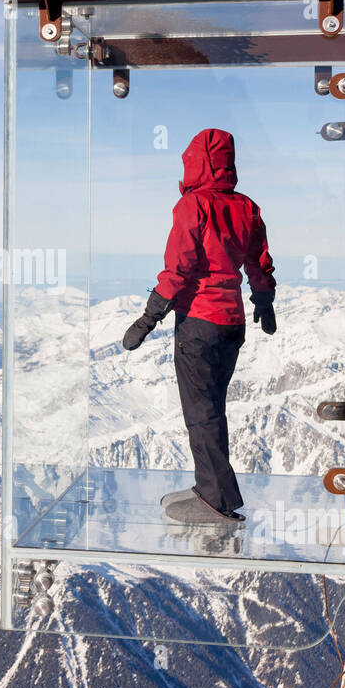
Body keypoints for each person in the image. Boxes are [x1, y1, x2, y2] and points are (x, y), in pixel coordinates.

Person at [122, 128, 277, 526]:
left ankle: (214, 501)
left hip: (198, 324)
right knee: (212, 409)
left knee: (201, 413)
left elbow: (179, 267)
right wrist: (264, 302)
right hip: (232, 324)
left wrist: (149, 317)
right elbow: (258, 263)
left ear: (196, 163)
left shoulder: (192, 206)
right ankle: (212, 489)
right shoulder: (248, 207)